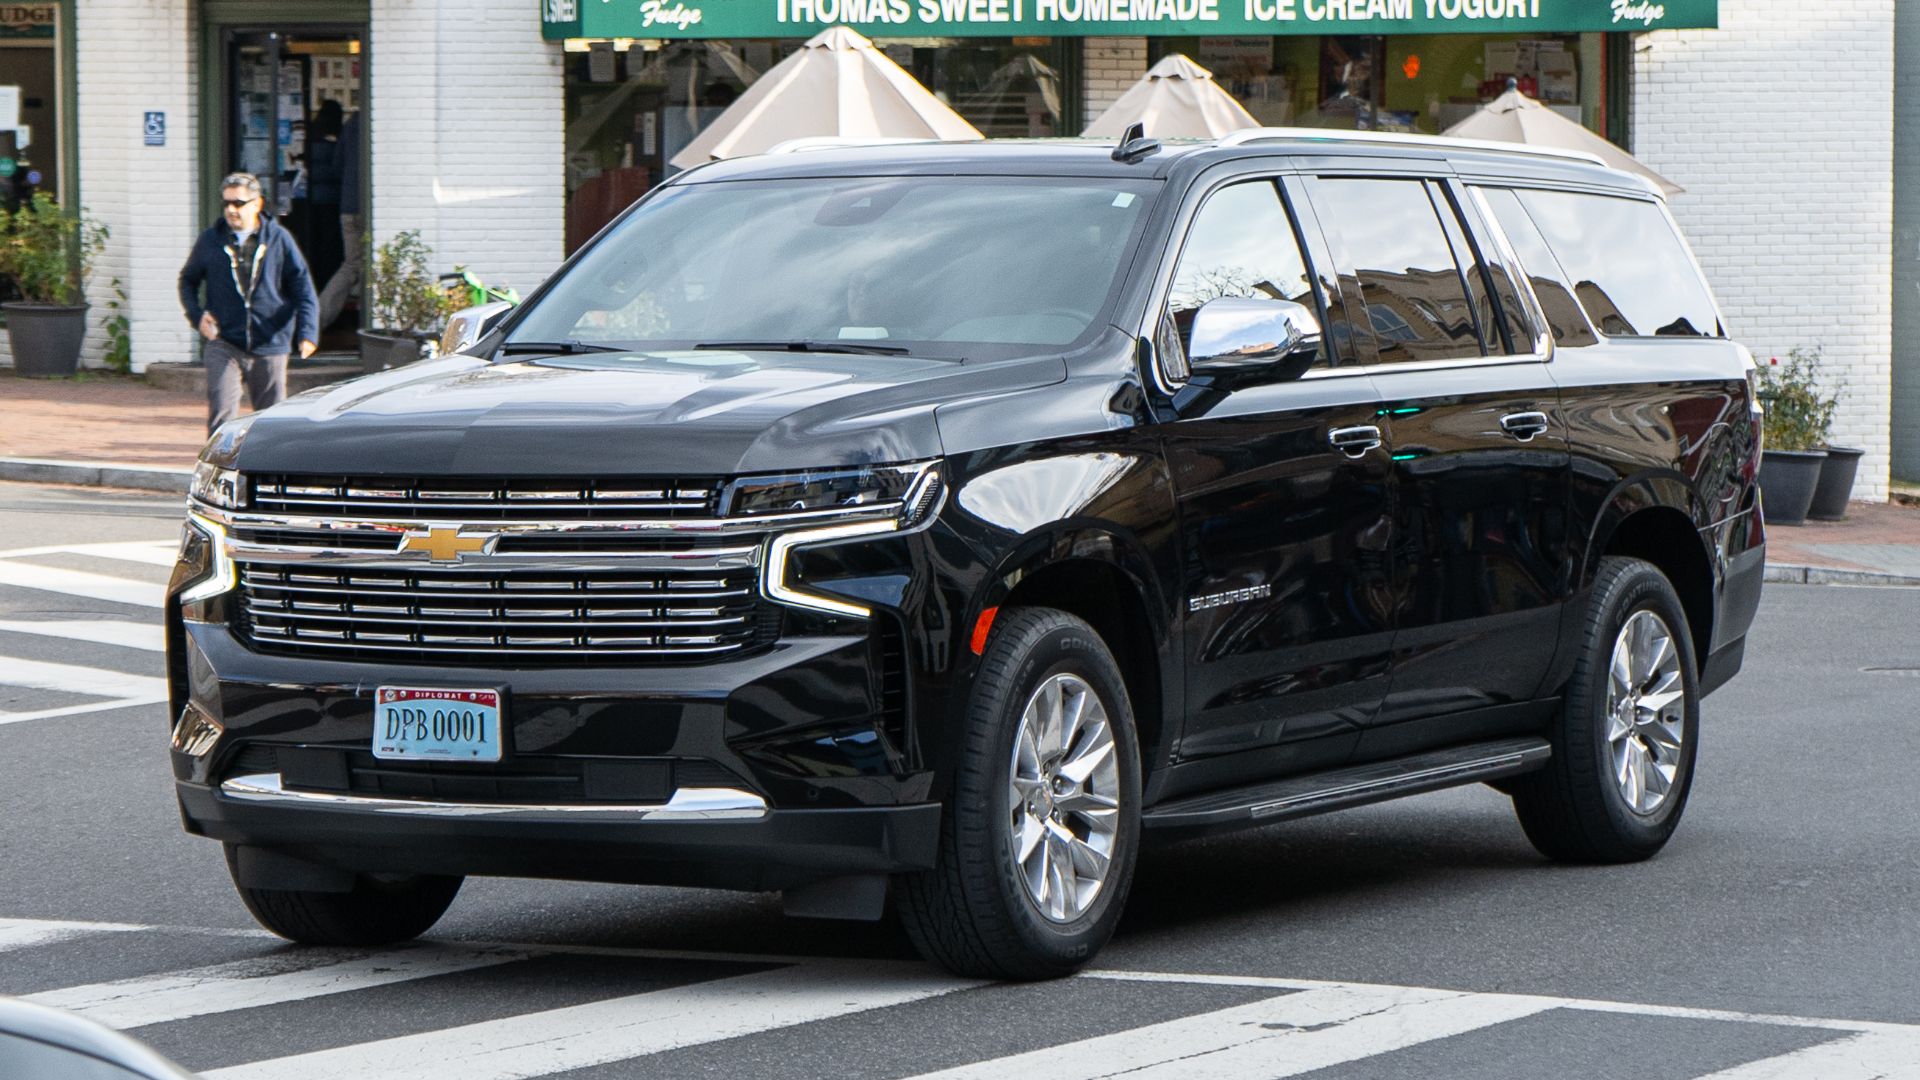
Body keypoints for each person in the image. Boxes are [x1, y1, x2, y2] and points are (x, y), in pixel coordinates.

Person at [178, 172, 319, 433]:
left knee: (272, 422)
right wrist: (197, 316)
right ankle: (219, 472)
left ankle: (270, 473)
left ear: (257, 203)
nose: (231, 210)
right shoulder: (211, 240)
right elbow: (188, 281)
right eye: (227, 203)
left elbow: (303, 287)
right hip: (225, 342)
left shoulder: (278, 239)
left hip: (270, 342)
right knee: (222, 418)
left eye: (238, 203)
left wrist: (307, 332)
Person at [316, 109, 361, 330]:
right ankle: (315, 322)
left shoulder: (352, 124)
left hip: (348, 207)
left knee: (353, 265)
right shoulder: (374, 117)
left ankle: (315, 322)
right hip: (365, 208)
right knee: (356, 265)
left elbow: (337, 167)